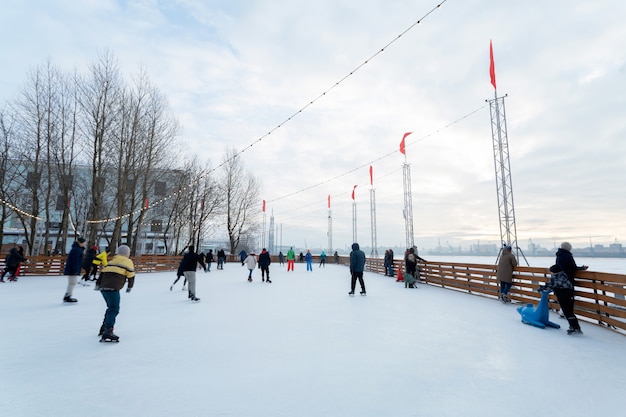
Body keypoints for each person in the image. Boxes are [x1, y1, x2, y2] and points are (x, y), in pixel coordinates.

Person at [546, 242, 588, 335]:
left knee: (566, 309)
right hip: (567, 284)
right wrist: (581, 268)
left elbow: (558, 270)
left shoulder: (559, 256)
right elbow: (572, 268)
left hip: (560, 287)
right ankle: (575, 327)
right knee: (569, 309)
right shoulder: (568, 256)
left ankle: (574, 326)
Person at [96, 245, 135, 342]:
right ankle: (108, 330)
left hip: (103, 287)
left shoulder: (112, 260)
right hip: (113, 287)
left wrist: (98, 284)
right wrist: (130, 286)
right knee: (114, 308)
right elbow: (131, 275)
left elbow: (103, 272)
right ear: (127, 253)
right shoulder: (128, 261)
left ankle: (104, 327)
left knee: (111, 308)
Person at [62, 237, 86, 302]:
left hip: (72, 269)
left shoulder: (77, 249)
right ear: (80, 243)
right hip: (72, 269)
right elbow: (75, 261)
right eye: (84, 243)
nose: (85, 244)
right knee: (72, 282)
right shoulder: (77, 250)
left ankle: (68, 295)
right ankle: (67, 296)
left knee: (73, 282)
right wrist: (75, 270)